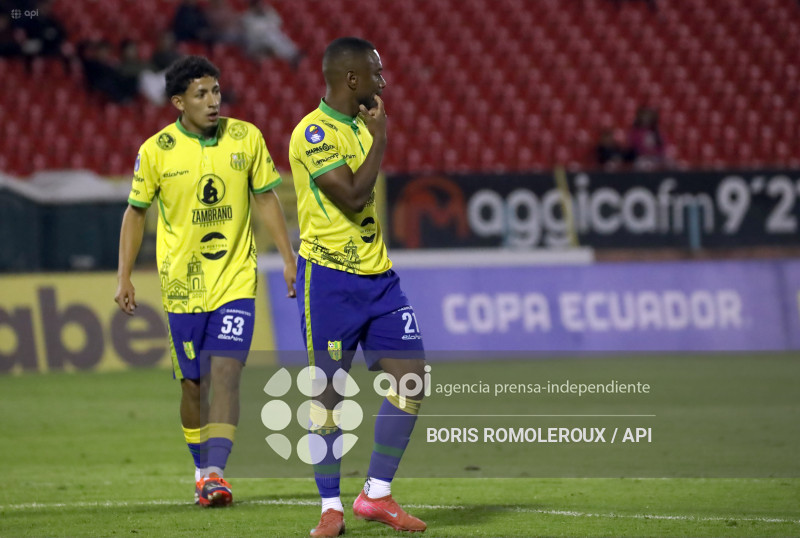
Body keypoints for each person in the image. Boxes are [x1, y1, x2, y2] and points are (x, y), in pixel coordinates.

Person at [115, 55, 297, 507]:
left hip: (235, 279)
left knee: (227, 372)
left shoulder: (246, 138)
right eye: (201, 94)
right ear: (179, 102)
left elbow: (267, 198)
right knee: (193, 384)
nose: (213, 101)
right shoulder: (155, 151)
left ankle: (216, 472)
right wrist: (125, 277)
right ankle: (201, 470)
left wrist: (289, 257)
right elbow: (135, 214)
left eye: (216, 91)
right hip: (182, 286)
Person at [289, 37, 427, 537]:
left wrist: (373, 136)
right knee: (328, 395)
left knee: (412, 379)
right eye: (376, 72)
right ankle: (331, 507)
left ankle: (377, 494)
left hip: (379, 279)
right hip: (328, 280)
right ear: (351, 79)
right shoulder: (312, 133)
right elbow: (350, 195)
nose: (383, 82)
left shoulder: (360, 128)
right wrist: (382, 140)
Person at [241, 0, 303, 68]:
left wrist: (267, 17)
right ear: (252, 7)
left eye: (260, 5)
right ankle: (292, 55)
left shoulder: (268, 11)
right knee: (271, 35)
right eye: (256, 6)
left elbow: (279, 22)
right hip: (256, 43)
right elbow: (257, 31)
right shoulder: (247, 17)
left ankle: (294, 54)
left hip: (270, 39)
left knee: (277, 35)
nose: (260, 7)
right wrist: (268, 25)